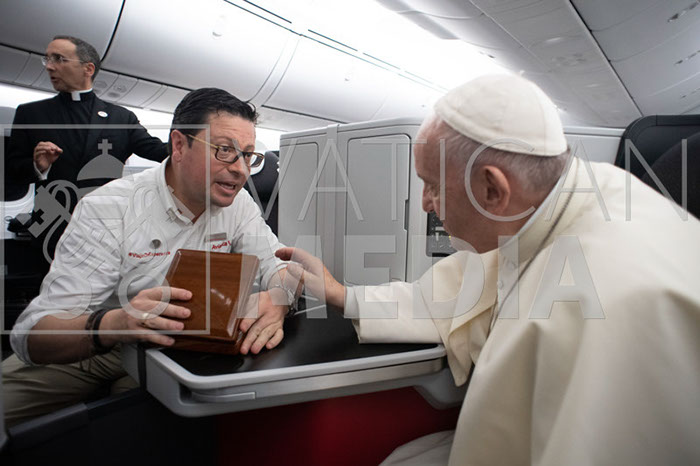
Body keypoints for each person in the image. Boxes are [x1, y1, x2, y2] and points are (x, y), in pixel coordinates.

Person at [277, 74, 700, 465]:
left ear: (493, 189)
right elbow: (450, 295)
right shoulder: (554, 208)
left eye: (433, 186)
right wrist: (341, 293)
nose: (425, 203)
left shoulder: (614, 298)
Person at [3, 87, 299, 427]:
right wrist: (115, 325)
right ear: (179, 146)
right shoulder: (109, 208)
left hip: (173, 352)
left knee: (143, 427)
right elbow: (33, 334)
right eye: (225, 151)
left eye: (248, 155)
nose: (241, 170)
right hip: (91, 345)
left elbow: (283, 267)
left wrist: (279, 300)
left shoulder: (239, 205)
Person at [5, 35, 168, 267]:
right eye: (47, 59)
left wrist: (196, 140)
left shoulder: (121, 118)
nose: (49, 66)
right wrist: (37, 167)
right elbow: (11, 173)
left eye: (59, 59)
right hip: (51, 228)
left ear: (88, 69)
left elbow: (159, 151)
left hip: (103, 227)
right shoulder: (31, 114)